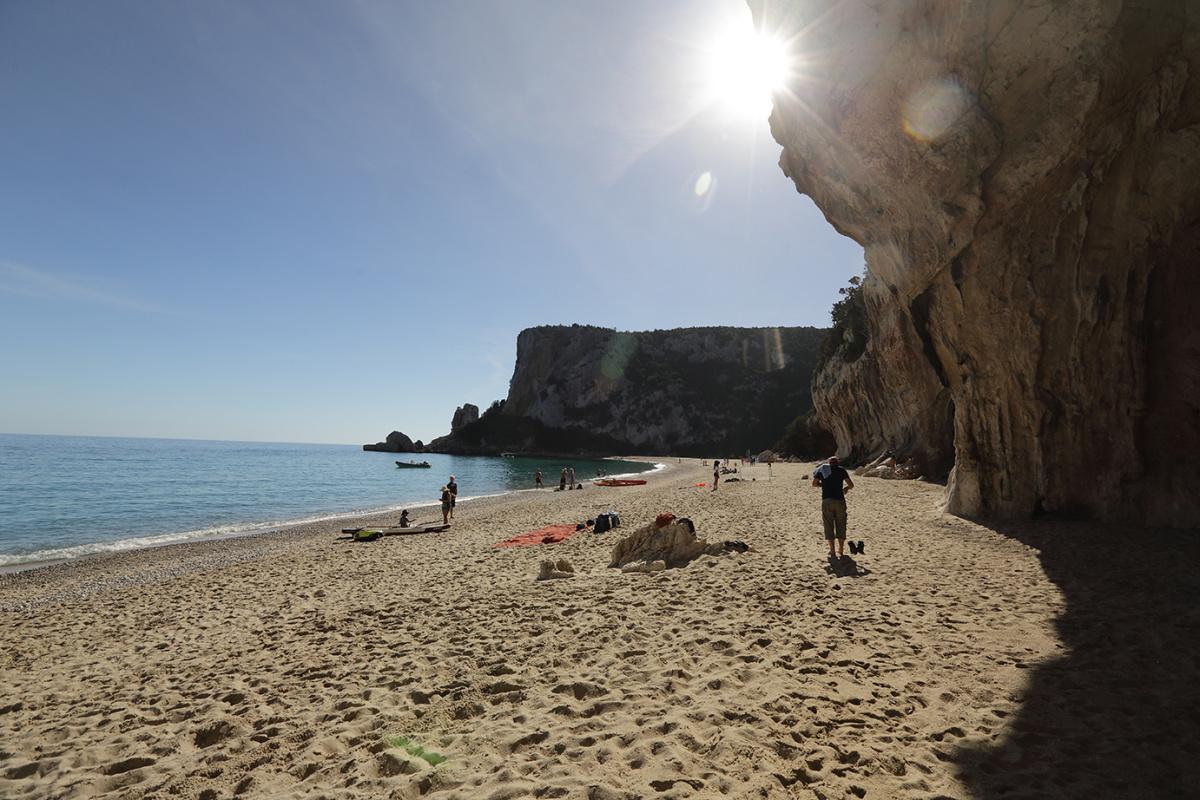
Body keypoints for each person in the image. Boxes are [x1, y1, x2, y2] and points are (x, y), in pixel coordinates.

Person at [812, 456, 854, 559]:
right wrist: (846, 488)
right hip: (840, 500)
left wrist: (824, 485)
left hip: (827, 501)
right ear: (837, 463)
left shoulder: (822, 470)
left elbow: (814, 484)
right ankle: (841, 549)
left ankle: (832, 551)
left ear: (829, 463)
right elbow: (851, 485)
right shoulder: (842, 470)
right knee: (841, 524)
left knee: (828, 525)